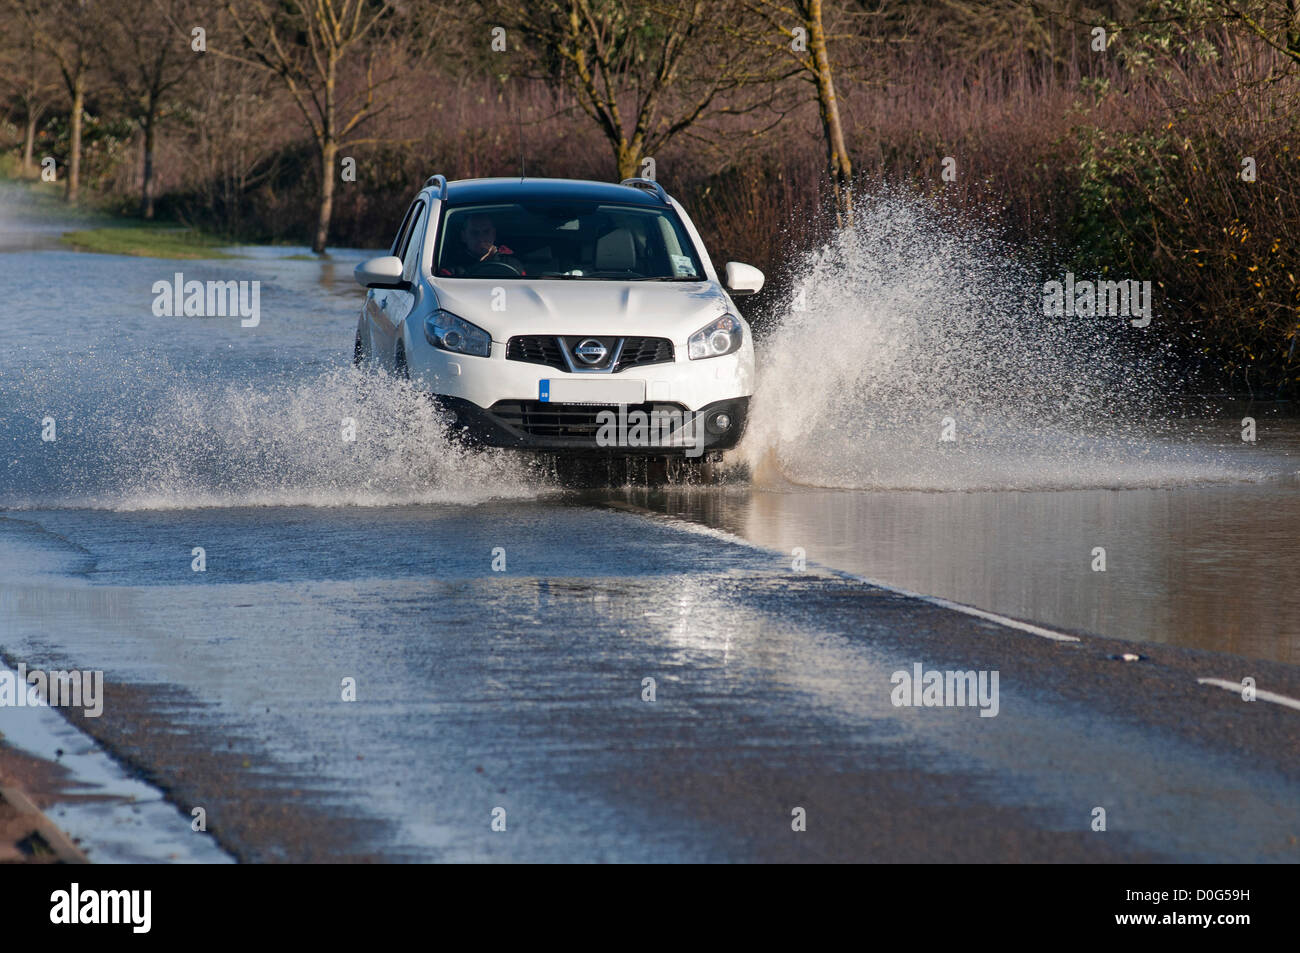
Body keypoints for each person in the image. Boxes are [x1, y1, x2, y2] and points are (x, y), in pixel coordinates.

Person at [439, 213, 525, 276]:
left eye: (486, 232)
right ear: (463, 236)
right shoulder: (451, 269)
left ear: (494, 234)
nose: (481, 238)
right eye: (474, 233)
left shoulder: (512, 263)